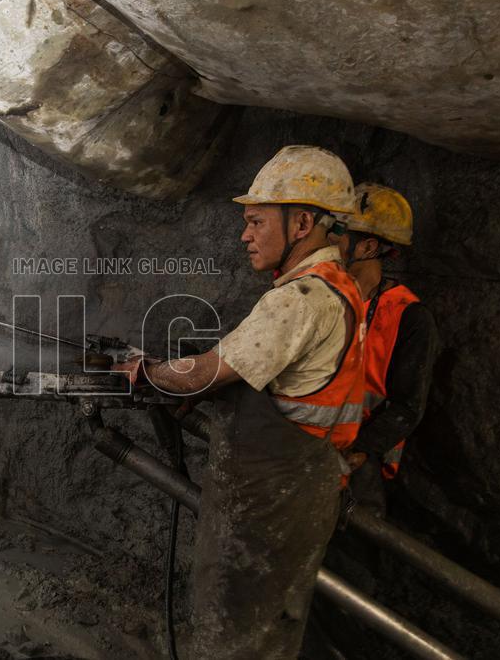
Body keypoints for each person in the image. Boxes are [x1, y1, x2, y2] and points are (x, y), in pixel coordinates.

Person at [118, 145, 366, 659]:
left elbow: (212, 371)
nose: (244, 235)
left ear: (301, 223)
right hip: (301, 486)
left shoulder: (299, 300)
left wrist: (149, 373)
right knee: (268, 631)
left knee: (236, 633)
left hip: (271, 501)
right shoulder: (337, 288)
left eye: (255, 221)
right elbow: (281, 391)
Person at [330, 183, 439, 516]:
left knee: (349, 550)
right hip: (308, 442)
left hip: (360, 459)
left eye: (338, 231)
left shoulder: (409, 316)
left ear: (367, 247)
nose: (329, 239)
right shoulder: (322, 294)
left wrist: (361, 449)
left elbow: (407, 405)